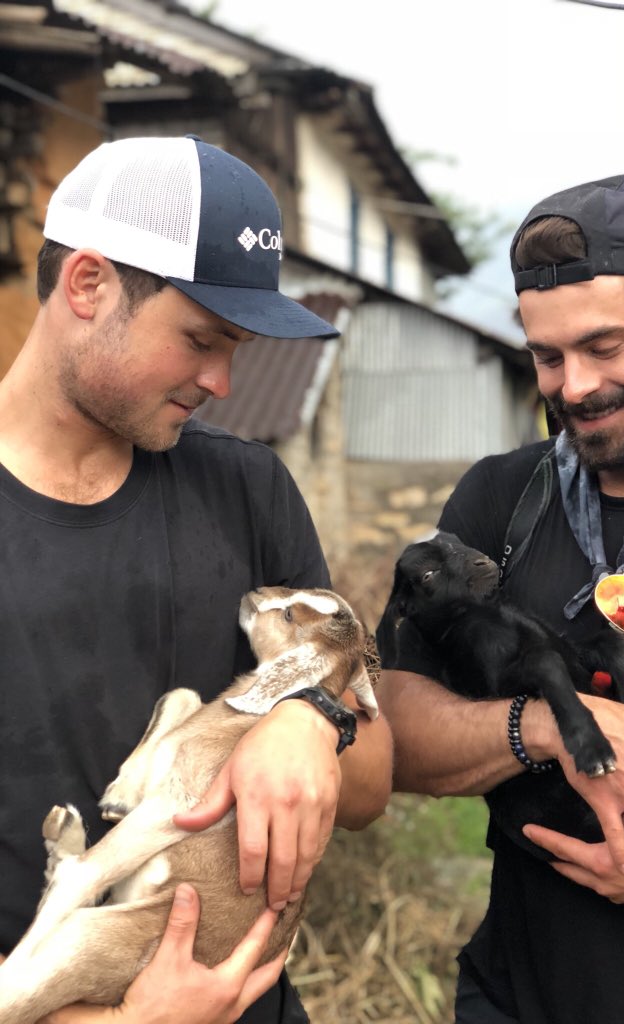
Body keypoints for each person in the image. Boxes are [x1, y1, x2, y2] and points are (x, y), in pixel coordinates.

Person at [0, 135, 392, 1024]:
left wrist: (308, 713)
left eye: (236, 348)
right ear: (88, 285)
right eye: (200, 340)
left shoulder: (245, 488)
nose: (221, 381)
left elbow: (369, 789)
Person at [377, 173, 624, 1024]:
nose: (575, 386)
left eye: (604, 346)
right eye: (548, 357)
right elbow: (391, 732)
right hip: (521, 997)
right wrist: (548, 724)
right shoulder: (500, 501)